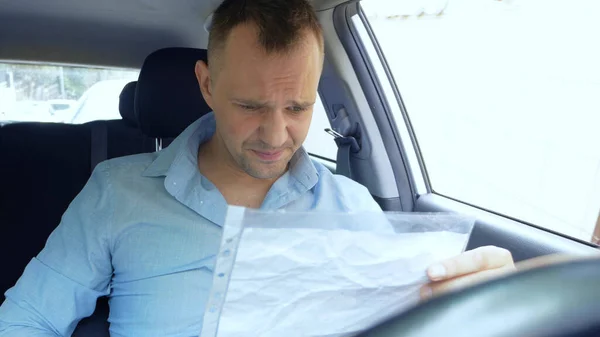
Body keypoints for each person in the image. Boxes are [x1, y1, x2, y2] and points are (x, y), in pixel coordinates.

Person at [0, 0, 515, 335]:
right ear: (206, 86)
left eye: (298, 108)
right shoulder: (117, 191)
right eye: (250, 106)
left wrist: (479, 311)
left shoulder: (353, 208)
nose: (275, 136)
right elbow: (28, 319)